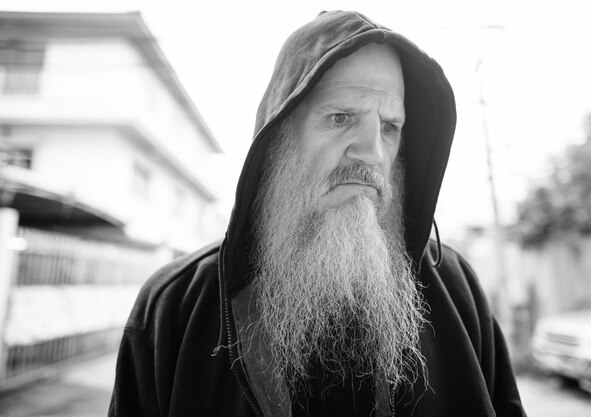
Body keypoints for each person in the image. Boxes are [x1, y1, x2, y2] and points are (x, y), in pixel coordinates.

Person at [109, 10, 526, 417]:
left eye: (389, 127)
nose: (373, 153)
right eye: (341, 118)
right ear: (278, 141)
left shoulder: (457, 290)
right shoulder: (174, 309)